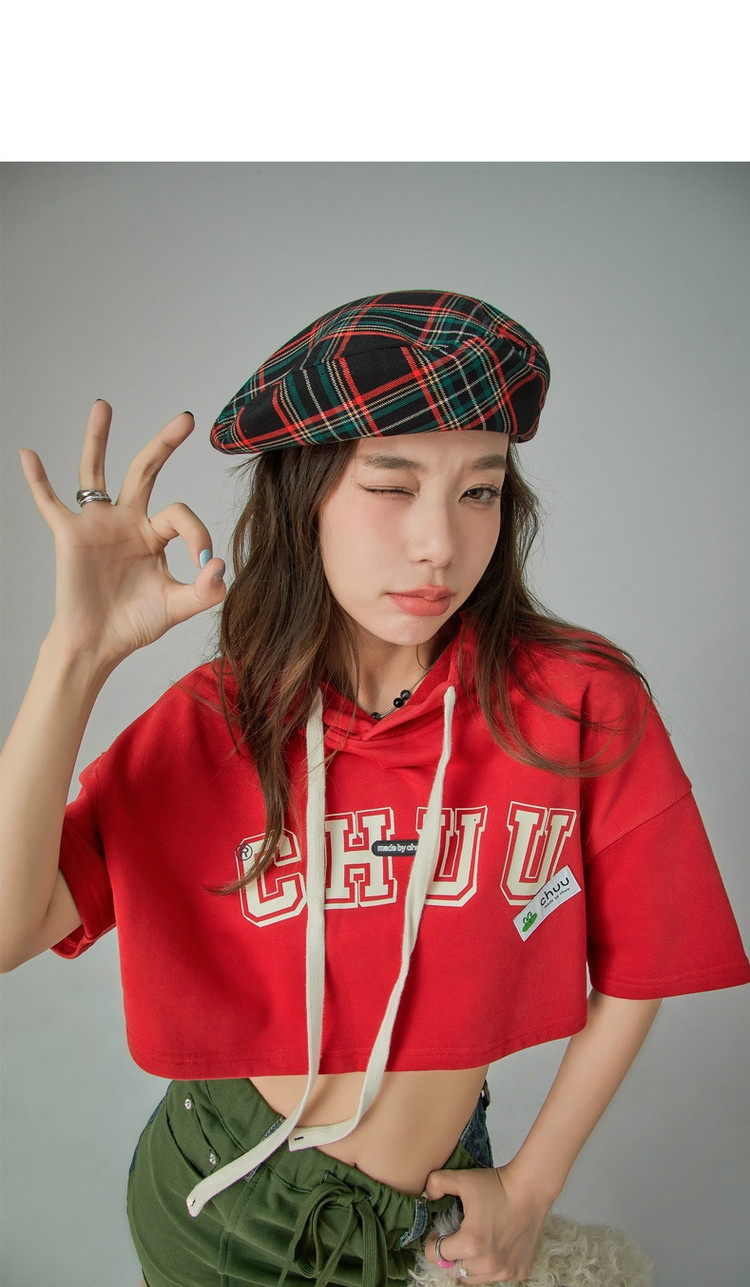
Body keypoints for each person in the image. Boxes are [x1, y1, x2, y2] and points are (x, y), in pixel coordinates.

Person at [1, 290, 748, 1287]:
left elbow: (645, 959)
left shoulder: (574, 702)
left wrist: (532, 1188)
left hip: (437, 1205)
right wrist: (74, 655)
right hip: (218, 1194)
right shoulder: (216, 723)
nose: (440, 543)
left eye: (479, 491)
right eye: (392, 487)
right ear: (303, 497)